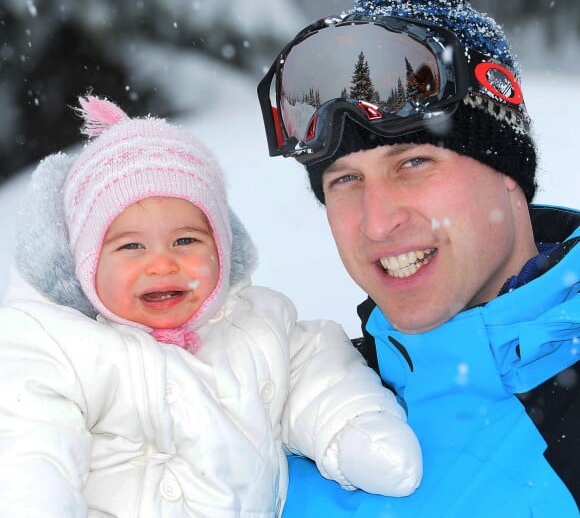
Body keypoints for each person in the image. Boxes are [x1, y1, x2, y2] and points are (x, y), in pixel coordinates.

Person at [258, 0, 580, 515]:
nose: (377, 223)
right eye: (343, 181)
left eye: (413, 164)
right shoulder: (298, 421)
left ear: (507, 174)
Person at [0, 95, 423, 516]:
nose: (162, 263)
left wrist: (353, 428)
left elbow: (318, 371)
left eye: (186, 240)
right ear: (88, 263)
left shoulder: (256, 325)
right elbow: (30, 444)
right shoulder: (58, 345)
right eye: (131, 246)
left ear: (221, 248)